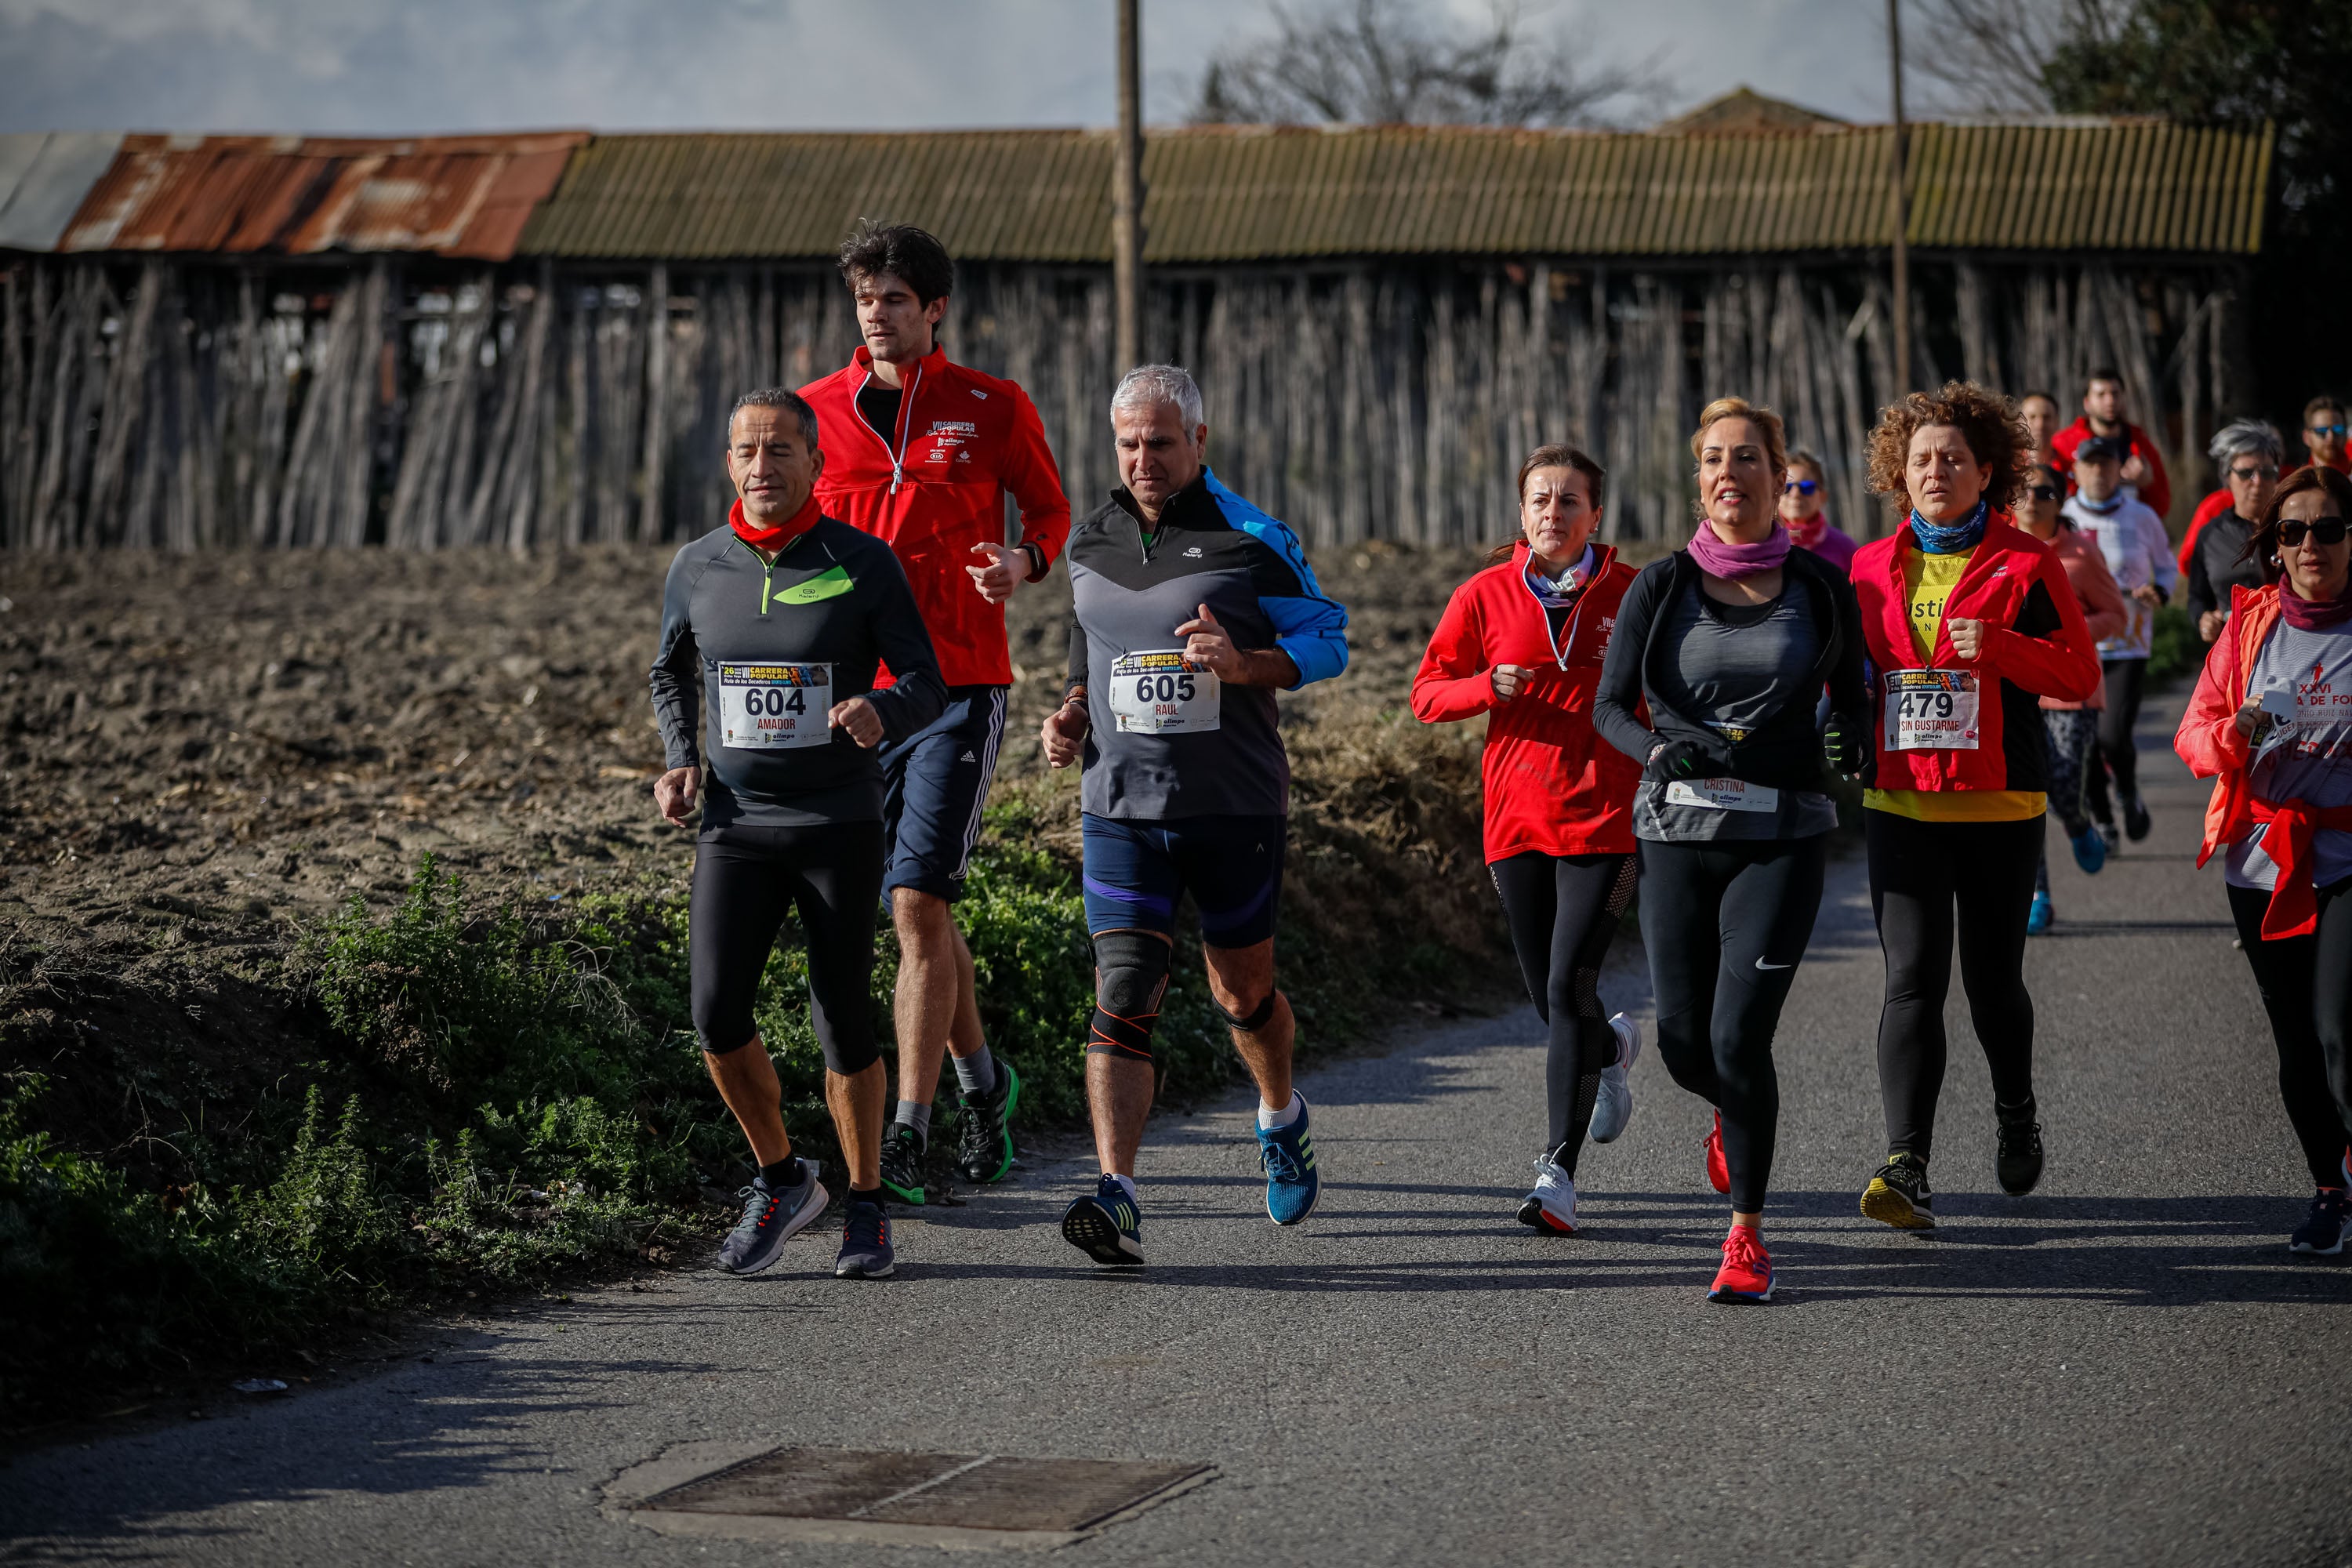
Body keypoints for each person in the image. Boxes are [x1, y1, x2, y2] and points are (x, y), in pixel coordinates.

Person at [1040, 364, 1350, 1265]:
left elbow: (1327, 639)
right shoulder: (1090, 540)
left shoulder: (1253, 538)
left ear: (1199, 442)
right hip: (1119, 808)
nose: (1144, 458)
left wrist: (1245, 661)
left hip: (1231, 805)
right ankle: (1120, 1195)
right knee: (1123, 993)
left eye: (1162, 442)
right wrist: (1067, 715)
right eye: (1130, 443)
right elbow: (1085, 648)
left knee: (1240, 991)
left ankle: (1280, 1113)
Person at [797, 223, 1073, 1205]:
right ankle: (985, 1083)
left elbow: (1050, 513)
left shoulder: (992, 406)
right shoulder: (814, 414)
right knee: (915, 907)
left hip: (960, 684)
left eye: (897, 299)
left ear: (935, 309)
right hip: (856, 696)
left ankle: (906, 1134)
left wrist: (1022, 562)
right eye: (867, 298)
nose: (879, 313)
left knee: (916, 905)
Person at [649, 388, 949, 1280]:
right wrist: (680, 756)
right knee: (714, 1013)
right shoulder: (699, 565)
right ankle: (784, 1178)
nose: (762, 466)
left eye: (781, 449)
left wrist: (881, 708)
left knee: (840, 1016)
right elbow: (670, 671)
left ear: (817, 464)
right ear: (729, 464)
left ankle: (866, 1204)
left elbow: (928, 681)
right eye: (746, 450)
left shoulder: (862, 560)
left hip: (837, 821)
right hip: (736, 825)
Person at [1592, 397, 1870, 1303]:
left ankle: (1747, 1232)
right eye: (1713, 458)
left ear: (1777, 475)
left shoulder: (1821, 587)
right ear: (1698, 476)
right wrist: (1654, 749)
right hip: (1676, 830)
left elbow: (1853, 690)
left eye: (1747, 458)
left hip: (1782, 832)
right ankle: (1728, 1106)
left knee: (1740, 1035)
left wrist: (1851, 743)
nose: (1728, 473)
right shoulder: (1661, 587)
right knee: (1683, 1045)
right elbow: (1608, 706)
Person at [1849, 382, 2103, 1232]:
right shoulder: (1867, 569)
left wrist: (1997, 646)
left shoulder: (2027, 562)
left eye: (1953, 458)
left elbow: (2079, 674)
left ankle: (2016, 1108)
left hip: (2000, 803)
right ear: (1899, 472)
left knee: (1994, 984)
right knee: (1912, 980)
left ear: (1986, 470)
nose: (1935, 470)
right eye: (1920, 458)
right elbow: (1850, 678)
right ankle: (1906, 1162)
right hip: (1902, 803)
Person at [1411, 445, 1644, 1237]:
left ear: (1595, 515)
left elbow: (1668, 692)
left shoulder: (1632, 592)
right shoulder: (1482, 594)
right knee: (1552, 995)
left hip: (1608, 818)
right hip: (1515, 819)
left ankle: (1558, 1171)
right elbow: (1425, 693)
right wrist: (1487, 685)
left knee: (1568, 984)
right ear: (1522, 513)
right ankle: (1608, 1052)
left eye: (1569, 500)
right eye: (1541, 499)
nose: (1554, 512)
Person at [2174, 464, 2352, 1254]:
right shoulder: (2252, 627)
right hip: (2262, 859)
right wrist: (2233, 733)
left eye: (2328, 528)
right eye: (2293, 531)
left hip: (2346, 853)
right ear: (2273, 547)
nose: (2310, 544)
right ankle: (2328, 1188)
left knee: (2340, 1025)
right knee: (2297, 1042)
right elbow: (2192, 736)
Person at [2012, 459, 2128, 935]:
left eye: (2044, 492)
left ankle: (2079, 823)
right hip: (2016, 690)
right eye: (2023, 490)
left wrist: (2065, 634)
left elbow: (2115, 615)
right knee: (2027, 794)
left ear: (2061, 501)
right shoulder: (1998, 551)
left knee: (2061, 785)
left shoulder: (2080, 553)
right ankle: (2037, 895)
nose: (2032, 500)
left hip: (2069, 691)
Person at [2065, 435, 2178, 848]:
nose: (2098, 472)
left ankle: (2127, 791)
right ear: (2075, 471)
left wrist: (2160, 592)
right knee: (2086, 742)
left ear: (2119, 470)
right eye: (2090, 464)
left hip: (2129, 643)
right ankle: (2102, 816)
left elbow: (2167, 567)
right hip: (2079, 646)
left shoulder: (2142, 516)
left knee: (2112, 735)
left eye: (2106, 464)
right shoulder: (2063, 515)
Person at [2183, 420, 2285, 642]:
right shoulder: (2211, 534)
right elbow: (2197, 597)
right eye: (2246, 473)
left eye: (2267, 473)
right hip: (2232, 648)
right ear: (2227, 477)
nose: (2257, 482)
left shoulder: (2293, 529)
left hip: (2289, 649)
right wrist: (2203, 618)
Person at [2052, 368, 2172, 518]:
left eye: (2115, 394)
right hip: (2079, 530)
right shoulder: (2064, 444)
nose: (2110, 401)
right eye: (2101, 395)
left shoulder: (2140, 444)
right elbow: (2051, 500)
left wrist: (2147, 485)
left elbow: (2162, 508)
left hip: (2127, 531)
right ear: (2087, 403)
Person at [1779, 448, 1857, 573]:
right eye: (1787, 488)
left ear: (1822, 496)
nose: (1796, 494)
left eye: (1806, 487)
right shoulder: (1762, 543)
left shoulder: (1845, 548)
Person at [2292, 395, 2350, 477]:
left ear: (2346, 434)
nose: (2331, 437)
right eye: (2322, 431)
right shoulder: (2297, 483)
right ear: (2306, 437)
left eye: (2338, 429)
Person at [2019, 391, 2063, 462]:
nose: (2040, 425)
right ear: (2020, 422)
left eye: (2046, 417)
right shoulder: (2009, 468)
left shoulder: (2071, 468)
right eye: (2032, 417)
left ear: (2057, 422)